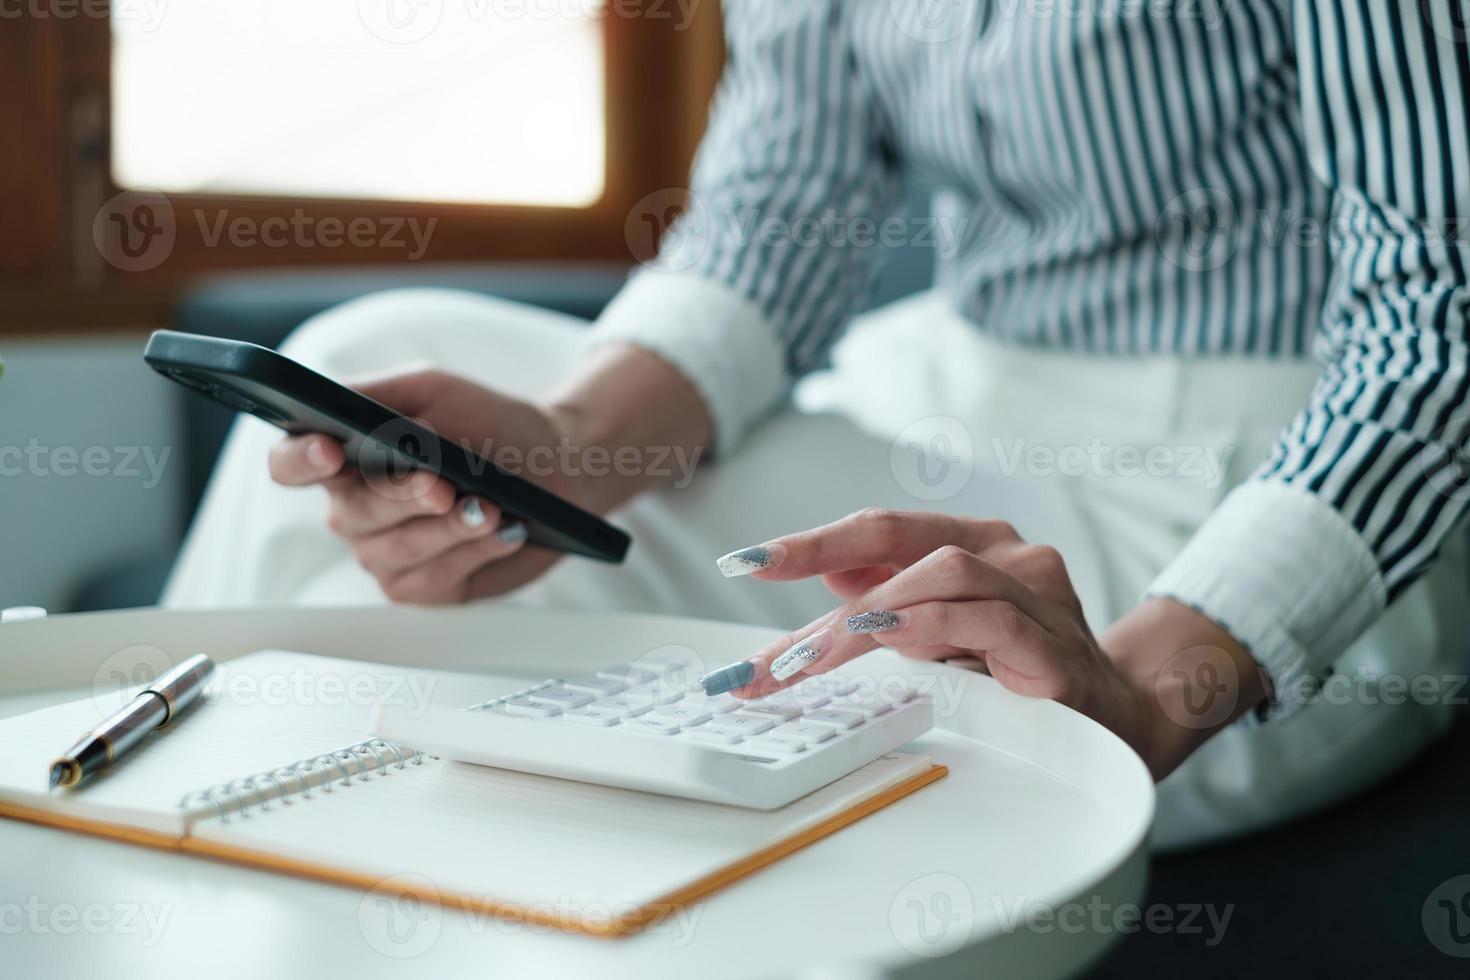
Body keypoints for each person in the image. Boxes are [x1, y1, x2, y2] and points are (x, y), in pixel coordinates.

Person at [165, 2, 1469, 849]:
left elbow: (1438, 319)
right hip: (939, 411)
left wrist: (1135, 693)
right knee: (347, 370)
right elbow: (773, 211)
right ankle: (162, 858)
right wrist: (571, 449)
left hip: (1248, 485)